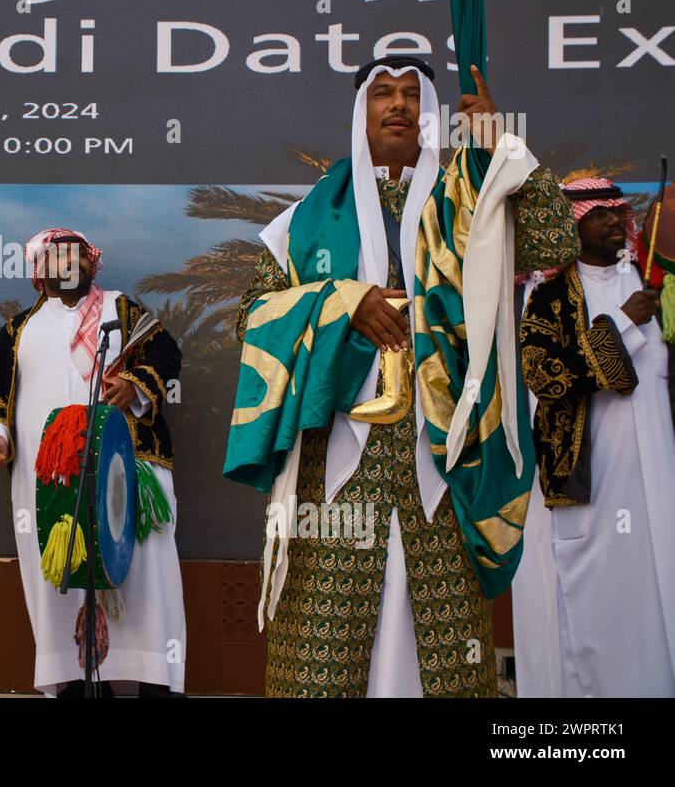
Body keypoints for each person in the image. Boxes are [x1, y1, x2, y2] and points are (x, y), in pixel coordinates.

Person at [228, 57, 578, 697]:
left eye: (412, 95)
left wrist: (501, 149)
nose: (398, 105)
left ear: (433, 115)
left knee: (445, 657)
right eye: (382, 94)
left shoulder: (473, 199)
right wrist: (340, 303)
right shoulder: (306, 219)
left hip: (444, 458)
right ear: (360, 114)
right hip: (334, 472)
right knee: (322, 657)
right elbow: (250, 320)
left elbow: (556, 242)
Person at [0, 228, 186, 696]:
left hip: (127, 471)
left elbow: (167, 352)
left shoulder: (123, 310)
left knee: (145, 573)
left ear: (92, 263)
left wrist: (135, 383)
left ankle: (157, 681)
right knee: (60, 578)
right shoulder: (17, 330)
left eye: (78, 256)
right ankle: (75, 684)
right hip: (50, 483)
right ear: (39, 271)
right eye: (57, 257)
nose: (69, 264)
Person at [514, 178, 674, 696]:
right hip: (588, 478)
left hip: (658, 471)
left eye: (617, 213)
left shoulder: (653, 286)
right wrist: (622, 326)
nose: (612, 222)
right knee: (594, 601)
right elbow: (546, 377)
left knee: (655, 587)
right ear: (572, 225)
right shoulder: (549, 296)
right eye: (598, 213)